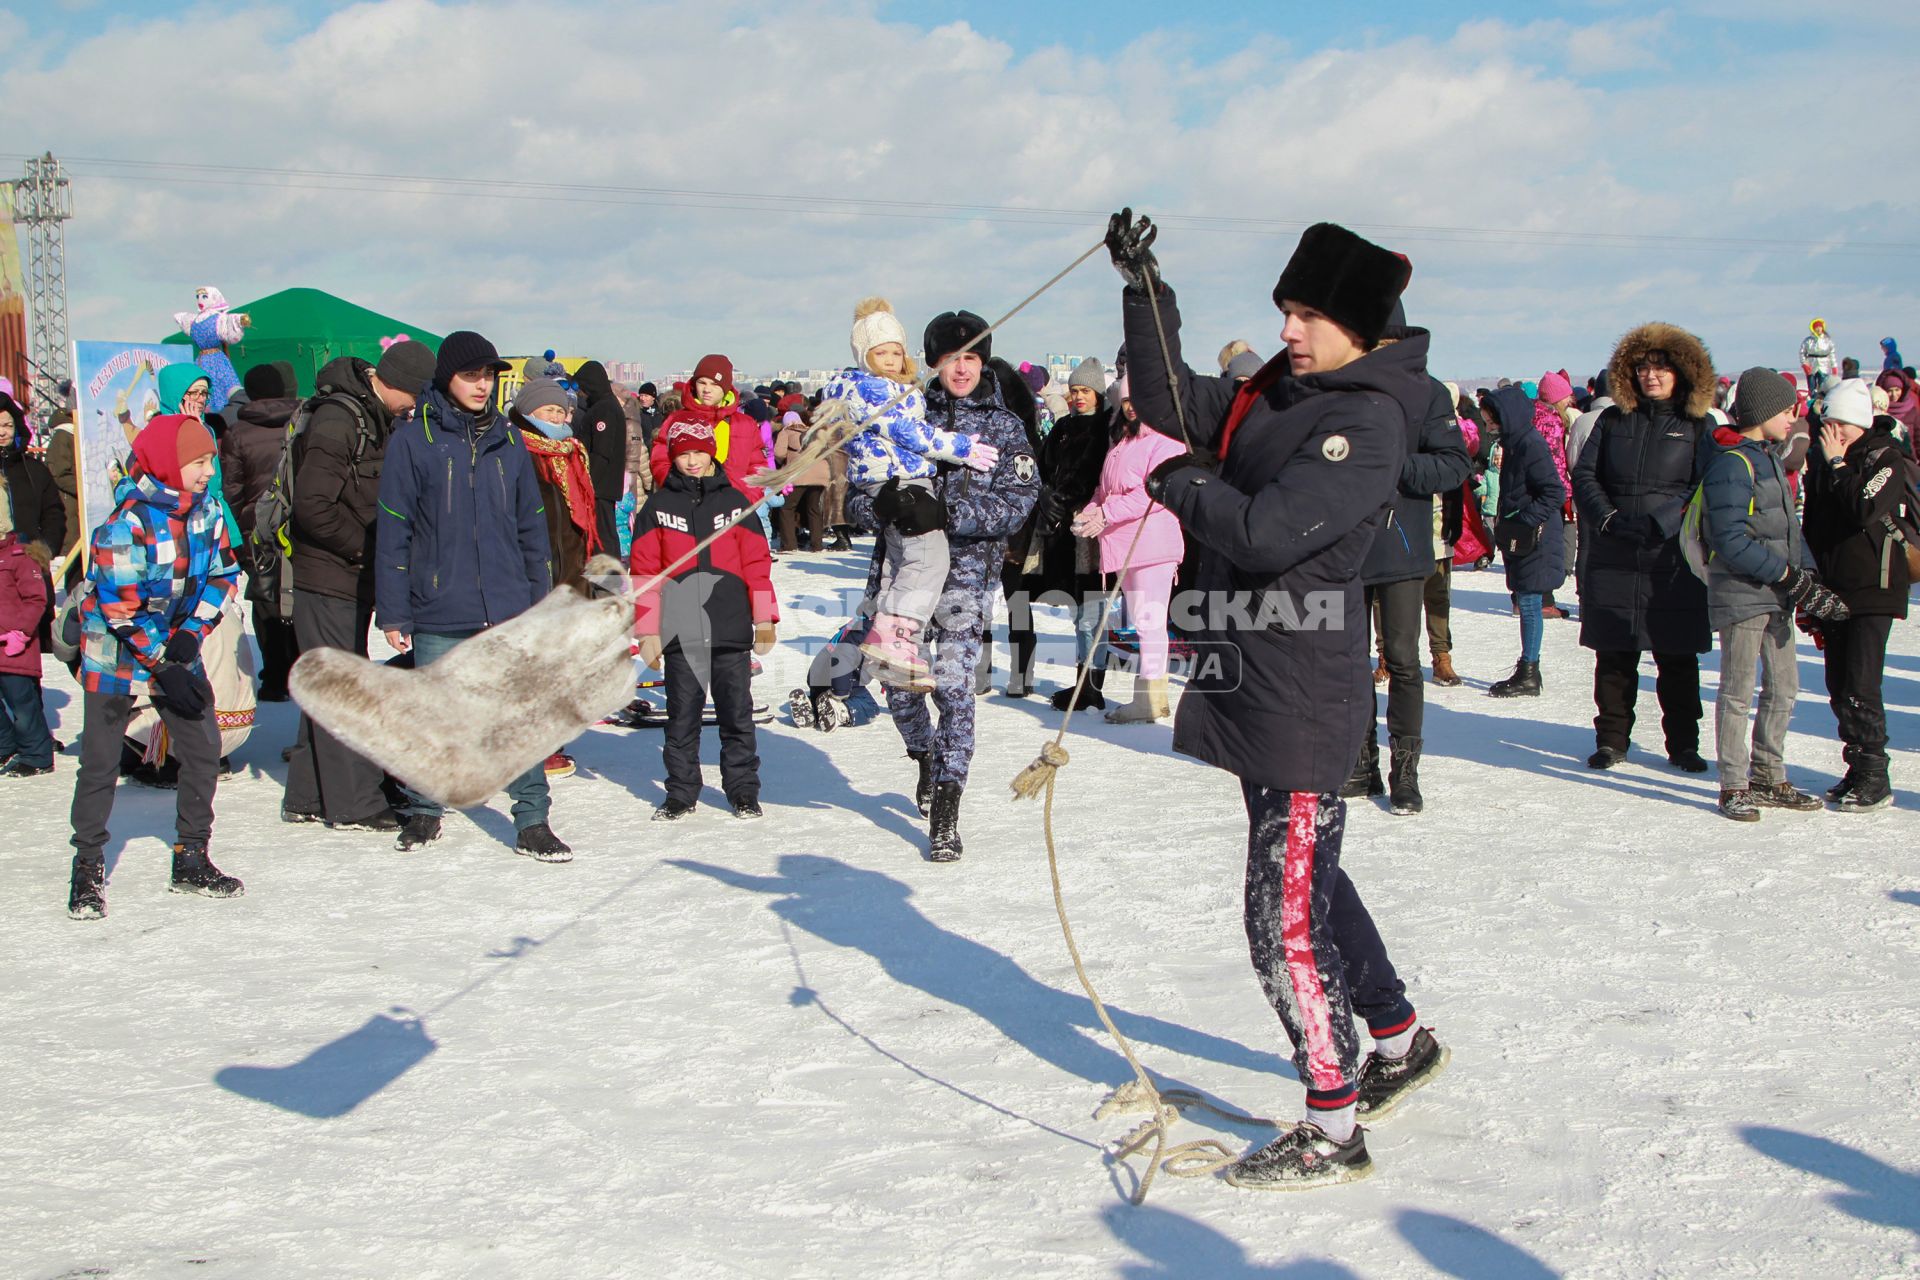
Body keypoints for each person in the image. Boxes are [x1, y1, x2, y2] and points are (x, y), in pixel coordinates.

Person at [1114, 212, 1445, 1188]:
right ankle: (1397, 1034)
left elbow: (1265, 531)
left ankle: (1334, 1122)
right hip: (1258, 676)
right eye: (1287, 311)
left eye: (1308, 314)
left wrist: (1178, 486)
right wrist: (1146, 290)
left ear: (1360, 323)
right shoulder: (1283, 390)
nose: (1290, 330)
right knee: (1312, 876)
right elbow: (1178, 398)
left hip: (1303, 689)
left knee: (1281, 919)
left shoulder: (1369, 418)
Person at [848, 310, 1039, 861]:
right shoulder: (901, 408)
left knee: (955, 690)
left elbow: (1016, 503)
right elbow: (858, 491)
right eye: (952, 358)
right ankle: (925, 755)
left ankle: (948, 808)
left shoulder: (1004, 426)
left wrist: (945, 510)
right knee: (899, 686)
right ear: (932, 362)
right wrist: (880, 504)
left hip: (963, 582)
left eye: (973, 358)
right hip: (902, 576)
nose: (962, 369)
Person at [374, 331, 571, 861]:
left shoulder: (509, 440)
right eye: (472, 375)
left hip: (507, 604)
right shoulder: (414, 441)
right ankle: (423, 809)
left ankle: (532, 819)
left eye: (489, 376)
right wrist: (393, 607)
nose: (482, 385)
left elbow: (533, 527)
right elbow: (394, 530)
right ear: (447, 378)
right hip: (440, 602)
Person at [66, 413, 243, 920]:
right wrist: (162, 661)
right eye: (198, 461)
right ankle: (87, 866)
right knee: (100, 762)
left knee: (204, 746)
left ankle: (191, 856)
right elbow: (121, 606)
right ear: (168, 463)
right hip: (116, 652)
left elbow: (225, 573)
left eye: (211, 459)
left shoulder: (207, 512)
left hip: (173, 645)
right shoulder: (125, 524)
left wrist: (192, 634)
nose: (209, 470)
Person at [281, 340, 431, 832]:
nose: (414, 407)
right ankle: (355, 803)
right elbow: (312, 506)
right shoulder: (340, 419)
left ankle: (307, 794)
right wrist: (368, 551)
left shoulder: (373, 414)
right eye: (413, 397)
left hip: (347, 573)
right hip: (328, 573)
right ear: (394, 384)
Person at [823, 299, 999, 689]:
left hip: (965, 562)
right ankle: (896, 637)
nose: (888, 359)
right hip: (897, 480)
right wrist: (962, 448)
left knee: (903, 564)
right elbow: (911, 434)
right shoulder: (876, 391)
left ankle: (892, 645)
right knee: (928, 558)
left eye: (895, 352)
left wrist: (957, 514)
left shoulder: (999, 419)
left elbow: (1016, 500)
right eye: (879, 352)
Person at [1703, 368, 1847, 821]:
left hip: (1777, 592)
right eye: (1788, 411)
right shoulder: (1732, 462)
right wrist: (1789, 576)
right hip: (1743, 594)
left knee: (1785, 687)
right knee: (1738, 690)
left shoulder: (1767, 456)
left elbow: (1787, 527)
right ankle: (1734, 784)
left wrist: (1808, 578)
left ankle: (1769, 774)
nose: (1794, 418)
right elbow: (1729, 539)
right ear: (1764, 412)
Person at [1571, 323, 1716, 772]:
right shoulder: (1612, 421)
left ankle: (1684, 744)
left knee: (1676, 657)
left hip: (1672, 558)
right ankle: (1612, 739)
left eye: (1661, 367)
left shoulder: (1697, 426)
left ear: (1682, 372)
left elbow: (1704, 485)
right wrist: (1609, 518)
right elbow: (1584, 475)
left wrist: (1663, 521)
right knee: (1614, 656)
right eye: (1643, 367)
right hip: (1614, 552)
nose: (1651, 375)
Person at [1348, 308, 1472, 813]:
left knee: (1401, 661)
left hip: (1401, 545)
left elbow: (1454, 462)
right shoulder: (1340, 389)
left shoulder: (1429, 391)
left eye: (1384, 341)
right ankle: (1361, 764)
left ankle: (1405, 771)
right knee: (1349, 663)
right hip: (1346, 546)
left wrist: (1393, 466)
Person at [631, 417, 777, 822]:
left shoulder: (735, 503)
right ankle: (680, 793)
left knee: (736, 716)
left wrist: (764, 617)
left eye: (698, 451)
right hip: (681, 632)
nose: (692, 461)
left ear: (711, 451)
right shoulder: (658, 508)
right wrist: (646, 630)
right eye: (683, 454)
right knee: (682, 718)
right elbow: (644, 573)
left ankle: (743, 791)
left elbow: (756, 564)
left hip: (729, 629)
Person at [1801, 377, 1910, 810]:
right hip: (1833, 587)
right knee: (1838, 684)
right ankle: (1856, 765)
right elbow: (1815, 525)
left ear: (1859, 424)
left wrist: (1839, 463)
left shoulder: (1886, 457)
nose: (1833, 431)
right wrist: (1810, 590)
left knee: (1862, 683)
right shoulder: (1824, 458)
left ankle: (1874, 774)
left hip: (1875, 586)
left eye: (1841, 424)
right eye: (1829, 422)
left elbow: (1864, 508)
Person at [1070, 377, 1184, 723]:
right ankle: (1150, 696)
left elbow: (1152, 492)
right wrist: (1092, 509)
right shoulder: (1122, 440)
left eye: (1137, 399)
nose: (1130, 406)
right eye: (1125, 401)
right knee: (1141, 620)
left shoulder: (1166, 442)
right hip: (1126, 543)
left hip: (1153, 543)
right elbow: (1106, 489)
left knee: (1150, 621)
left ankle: (1149, 698)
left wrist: (1107, 513)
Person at [220, 362, 303, 701]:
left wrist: (243, 524)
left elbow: (233, 488)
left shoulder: (237, 432)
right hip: (297, 522)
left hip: (257, 526)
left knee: (265, 598)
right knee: (300, 596)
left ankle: (274, 677)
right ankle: (301, 671)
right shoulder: (302, 421)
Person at [1486, 384, 1566, 697]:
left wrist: (1523, 519)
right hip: (1523, 536)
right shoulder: (1515, 442)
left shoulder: (1530, 444)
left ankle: (1529, 671)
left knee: (1531, 603)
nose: (1490, 425)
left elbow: (1554, 491)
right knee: (1526, 600)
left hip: (1536, 539)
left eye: (1493, 419)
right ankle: (1527, 667)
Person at [647, 355, 765, 505]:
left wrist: (747, 500)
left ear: (725, 388)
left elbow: (757, 467)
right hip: (687, 506)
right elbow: (660, 459)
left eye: (714, 384)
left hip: (733, 507)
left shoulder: (745, 424)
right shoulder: (677, 419)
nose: (707, 389)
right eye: (702, 382)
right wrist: (676, 487)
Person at [0, 514, 55, 777]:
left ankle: (37, 755)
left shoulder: (20, 557)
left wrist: (20, 633)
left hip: (14, 646)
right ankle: (4, 746)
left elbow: (36, 599)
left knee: (22, 703)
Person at [773, 403, 829, 553]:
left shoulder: (786, 432)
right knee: (814, 509)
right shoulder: (811, 431)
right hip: (819, 474)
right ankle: (817, 545)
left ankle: (789, 545)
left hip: (799, 474)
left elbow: (778, 453)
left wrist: (783, 463)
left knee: (787, 508)